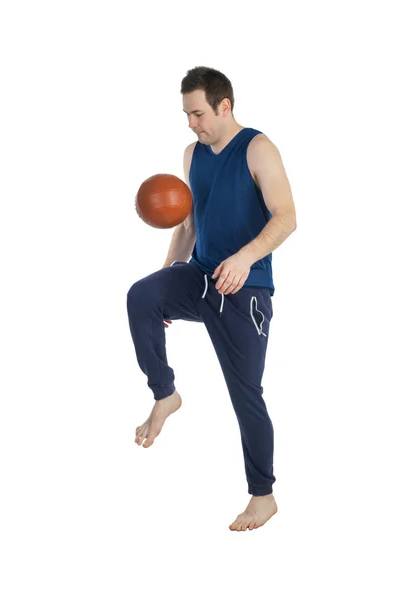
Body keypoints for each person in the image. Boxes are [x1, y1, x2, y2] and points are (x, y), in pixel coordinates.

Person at [126, 66, 297, 531]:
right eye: (186, 114)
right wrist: (164, 285)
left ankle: (263, 496)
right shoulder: (192, 154)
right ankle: (165, 394)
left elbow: (286, 218)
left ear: (224, 105)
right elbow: (189, 225)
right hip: (200, 278)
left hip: (245, 290)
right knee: (140, 296)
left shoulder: (259, 149)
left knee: (247, 396)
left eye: (197, 113)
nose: (191, 123)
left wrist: (244, 258)